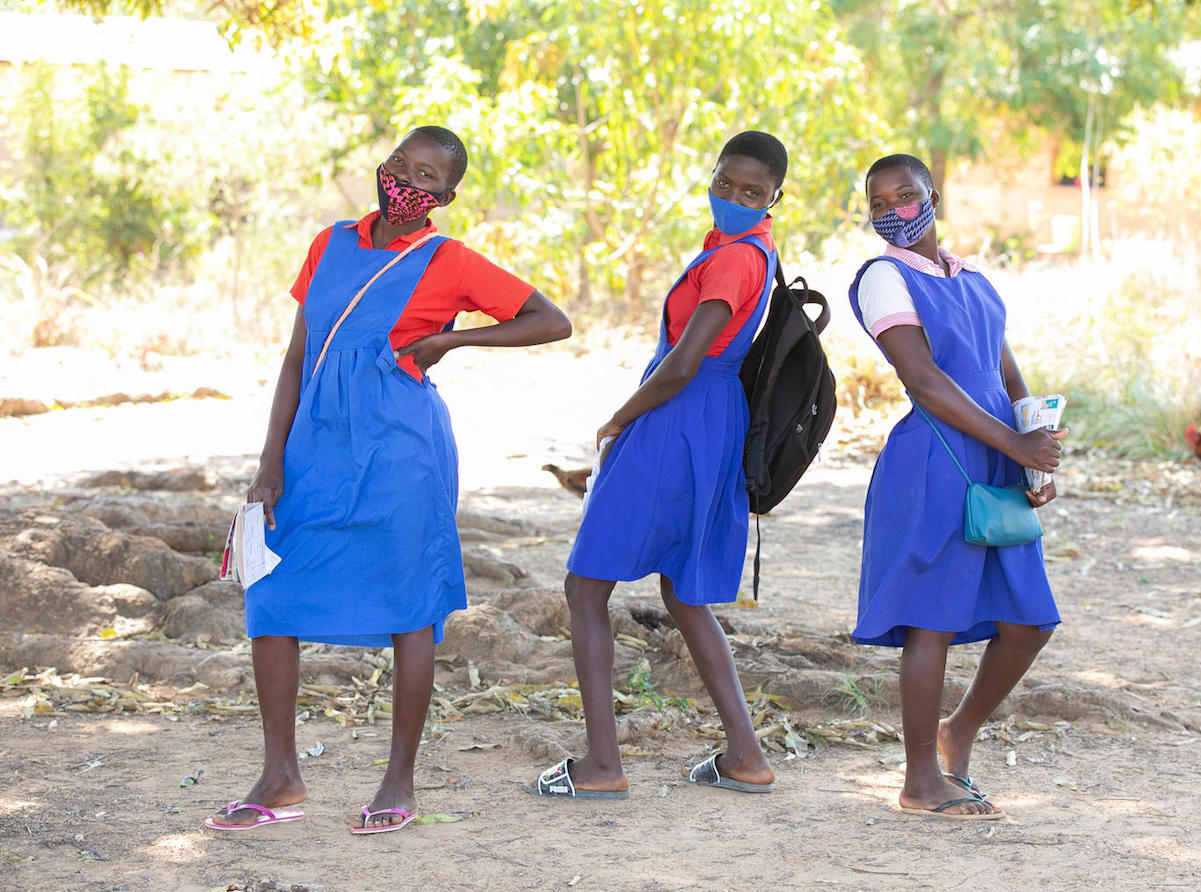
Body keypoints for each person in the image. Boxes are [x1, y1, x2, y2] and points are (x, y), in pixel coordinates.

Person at [205, 125, 571, 834]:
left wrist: (452, 339)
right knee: (271, 594)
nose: (404, 179)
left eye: (425, 176)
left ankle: (398, 781)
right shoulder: (329, 243)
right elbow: (297, 357)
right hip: (313, 449)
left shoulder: (449, 259)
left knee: (411, 607)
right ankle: (280, 774)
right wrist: (269, 461)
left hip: (404, 454)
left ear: (445, 197)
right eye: (400, 163)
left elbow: (549, 320)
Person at [526, 131, 787, 800]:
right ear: (712, 177)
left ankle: (601, 765)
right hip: (710, 419)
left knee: (587, 587)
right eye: (725, 183)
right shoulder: (749, 249)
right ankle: (745, 756)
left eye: (751, 191)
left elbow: (683, 362)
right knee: (682, 591)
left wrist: (619, 419)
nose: (733, 198)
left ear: (774, 198)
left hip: (677, 416)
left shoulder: (734, 258)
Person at [848, 153, 1065, 819]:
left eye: (905, 195)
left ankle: (957, 731)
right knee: (932, 618)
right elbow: (924, 380)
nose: (893, 210)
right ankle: (920, 781)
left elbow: (1009, 378)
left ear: (932, 197)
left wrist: (1034, 457)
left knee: (1029, 621)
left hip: (997, 458)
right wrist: (1013, 444)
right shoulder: (884, 278)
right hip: (934, 462)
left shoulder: (973, 281)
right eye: (878, 202)